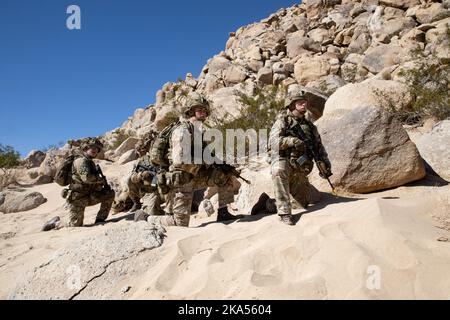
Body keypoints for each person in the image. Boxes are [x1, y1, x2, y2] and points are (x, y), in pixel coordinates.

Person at [138, 92, 242, 227]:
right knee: (179, 224)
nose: (203, 113)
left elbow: (207, 155)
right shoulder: (182, 130)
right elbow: (180, 161)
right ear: (191, 111)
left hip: (195, 176)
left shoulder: (199, 132)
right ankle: (146, 218)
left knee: (225, 175)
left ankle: (223, 213)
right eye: (200, 110)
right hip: (180, 180)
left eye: (205, 110)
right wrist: (205, 161)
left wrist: (223, 165)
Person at [269, 90, 332, 225]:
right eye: (300, 102)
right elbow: (273, 142)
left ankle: (268, 204)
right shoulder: (283, 121)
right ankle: (284, 213)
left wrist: (325, 165)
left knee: (302, 204)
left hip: (300, 170)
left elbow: (319, 148)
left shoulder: (310, 127)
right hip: (285, 163)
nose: (304, 105)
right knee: (278, 170)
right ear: (292, 105)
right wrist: (292, 141)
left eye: (305, 102)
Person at [42, 139, 115, 231]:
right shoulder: (81, 161)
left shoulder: (90, 161)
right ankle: (56, 223)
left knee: (109, 194)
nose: (95, 150)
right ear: (85, 148)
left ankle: (100, 219)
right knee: (75, 224)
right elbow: (87, 178)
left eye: (97, 148)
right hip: (78, 198)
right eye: (92, 147)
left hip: (90, 196)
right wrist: (100, 180)